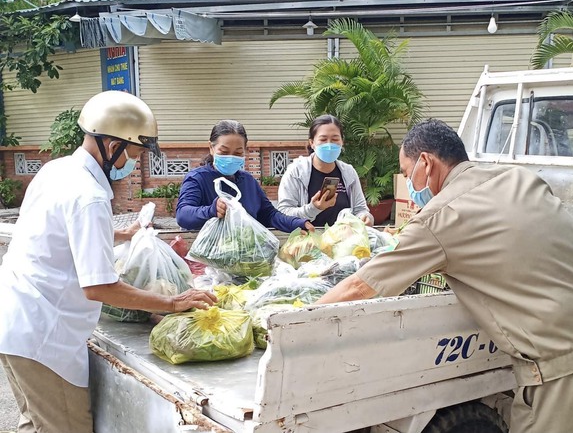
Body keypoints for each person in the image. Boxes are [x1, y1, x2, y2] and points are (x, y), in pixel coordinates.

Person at [316, 119, 573, 433]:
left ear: (426, 163)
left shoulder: (439, 218)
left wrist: (298, 316)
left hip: (569, 362)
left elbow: (361, 285)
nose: (410, 186)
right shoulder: (518, 178)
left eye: (406, 174)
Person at [0, 91, 217, 433]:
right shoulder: (89, 195)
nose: (135, 161)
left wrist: (119, 235)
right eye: (134, 151)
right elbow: (99, 286)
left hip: (14, 322)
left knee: (34, 424)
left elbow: (48, 229)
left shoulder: (57, 170)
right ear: (111, 144)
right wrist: (172, 302)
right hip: (43, 334)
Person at [176, 120, 314, 233]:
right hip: (208, 258)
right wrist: (211, 210)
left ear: (245, 152)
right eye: (224, 152)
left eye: (237, 153)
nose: (230, 158)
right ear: (211, 148)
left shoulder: (248, 181)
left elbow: (268, 214)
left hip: (246, 255)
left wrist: (296, 223)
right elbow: (183, 215)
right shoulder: (197, 179)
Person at [277, 115, 373, 227]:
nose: (329, 145)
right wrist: (313, 209)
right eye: (323, 139)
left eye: (335, 139)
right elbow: (283, 213)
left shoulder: (348, 172)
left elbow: (360, 209)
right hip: (308, 240)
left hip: (345, 240)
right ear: (312, 143)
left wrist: (365, 217)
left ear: (342, 142)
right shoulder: (296, 172)